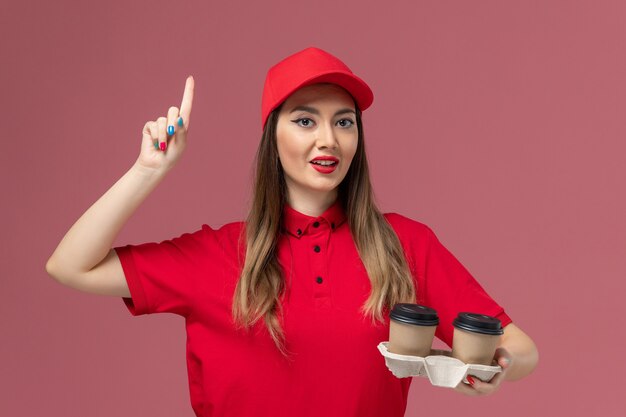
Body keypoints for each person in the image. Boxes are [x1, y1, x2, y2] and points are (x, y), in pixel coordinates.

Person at [46, 47, 538, 417]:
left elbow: (521, 348)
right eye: (306, 120)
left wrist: (498, 367)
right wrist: (147, 171)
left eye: (343, 122)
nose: (329, 139)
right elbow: (69, 265)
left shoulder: (404, 245)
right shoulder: (217, 253)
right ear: (272, 136)